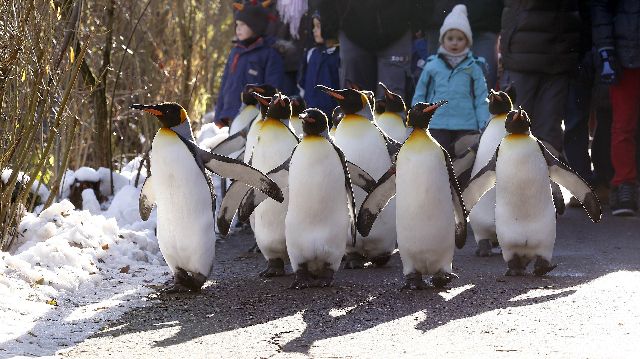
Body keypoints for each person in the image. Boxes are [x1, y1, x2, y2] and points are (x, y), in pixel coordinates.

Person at [499, 0, 581, 155]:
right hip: (524, 54)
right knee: (515, 129)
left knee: (547, 134)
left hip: (557, 55)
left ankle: (542, 176)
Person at [411, 4, 490, 155]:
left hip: (466, 125)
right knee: (437, 159)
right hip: (436, 123)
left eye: (460, 39)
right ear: (442, 40)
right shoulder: (432, 66)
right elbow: (420, 93)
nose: (454, 42)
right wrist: (417, 116)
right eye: (450, 38)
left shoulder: (474, 67)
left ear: (467, 41)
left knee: (464, 164)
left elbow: (481, 98)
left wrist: (483, 123)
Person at [319, 0, 422, 100]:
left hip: (397, 28)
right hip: (351, 28)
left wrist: (419, 17)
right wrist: (329, 24)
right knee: (354, 103)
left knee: (391, 104)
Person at [592, 0, 640, 216]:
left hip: (625, 48)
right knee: (623, 123)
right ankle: (624, 185)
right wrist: (606, 49)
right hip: (626, 51)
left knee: (623, 125)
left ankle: (625, 186)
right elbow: (601, 7)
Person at [213, 1, 284, 128]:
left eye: (243, 24)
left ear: (255, 27)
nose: (238, 28)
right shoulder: (235, 52)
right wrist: (218, 115)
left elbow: (272, 90)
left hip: (253, 120)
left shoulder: (270, 55)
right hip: (229, 116)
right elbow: (225, 84)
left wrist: (264, 117)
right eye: (237, 24)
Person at [298, 10, 340, 116]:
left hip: (333, 115)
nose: (314, 30)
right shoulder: (311, 53)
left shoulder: (339, 55)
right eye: (313, 26)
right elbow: (302, 84)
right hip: (310, 112)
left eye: (318, 26)